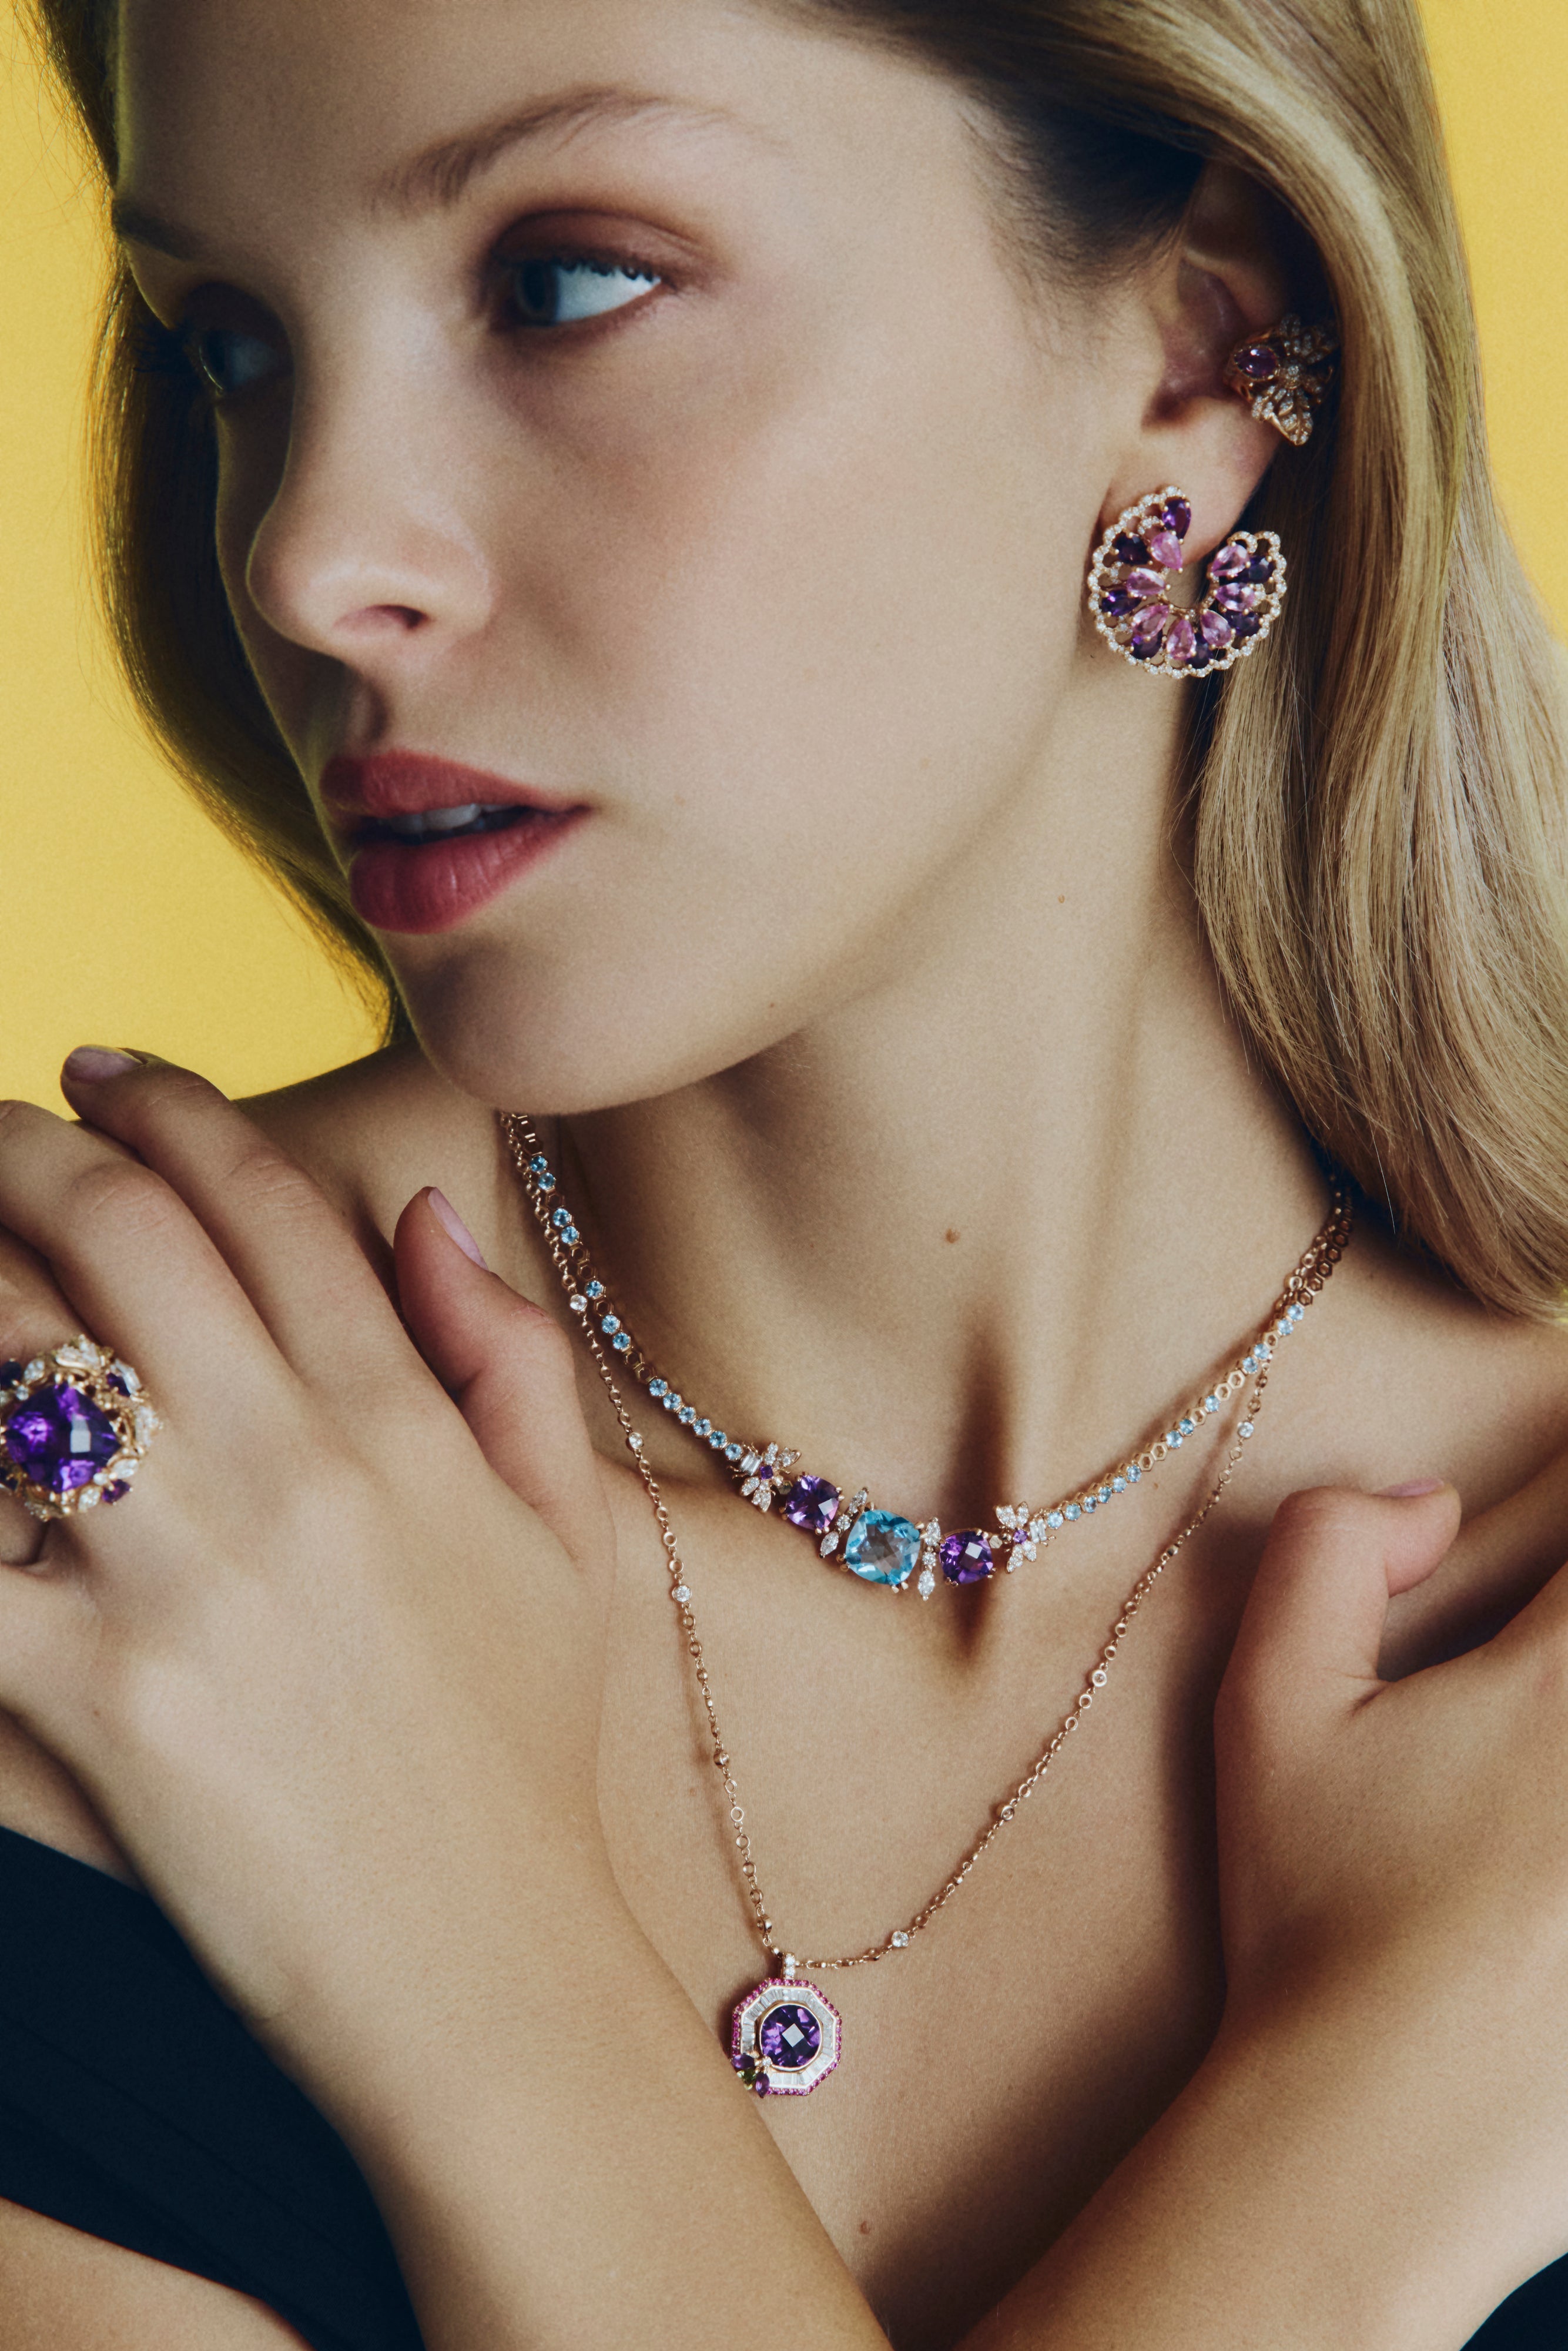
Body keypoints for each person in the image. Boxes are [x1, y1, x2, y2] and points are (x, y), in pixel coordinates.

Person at [4, 0, 1568, 2343]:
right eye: (231, 346)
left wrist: (448, 1953)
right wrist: (1380, 2117)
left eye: (562, 284)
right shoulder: (115, 1495)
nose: (313, 555)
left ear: (1195, 342)